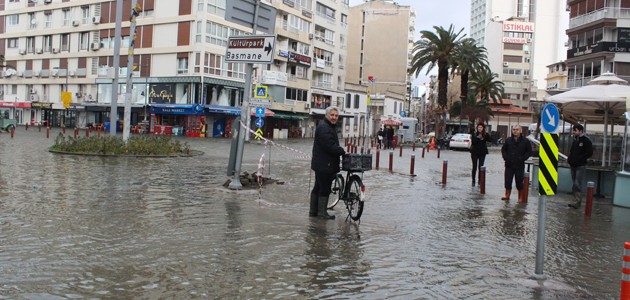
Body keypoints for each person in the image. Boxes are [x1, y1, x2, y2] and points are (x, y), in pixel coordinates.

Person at [310, 106, 346, 219]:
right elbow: (329, 146)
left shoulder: (327, 126)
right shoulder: (325, 127)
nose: (334, 117)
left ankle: (313, 212)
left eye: (336, 115)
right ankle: (321, 214)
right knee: (324, 188)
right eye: (332, 115)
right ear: (327, 115)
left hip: (321, 163)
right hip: (325, 164)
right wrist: (342, 151)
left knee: (318, 187)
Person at [500, 125, 532, 201]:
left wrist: (522, 158)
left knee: (519, 182)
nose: (515, 131)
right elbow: (503, 150)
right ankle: (507, 195)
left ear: (520, 131)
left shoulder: (525, 141)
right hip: (509, 164)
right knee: (507, 181)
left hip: (519, 165)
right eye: (514, 129)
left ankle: (520, 197)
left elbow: (529, 152)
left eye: (517, 129)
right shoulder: (508, 140)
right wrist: (506, 158)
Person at [567, 124, 593, 209]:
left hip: (580, 166)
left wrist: (580, 159)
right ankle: (575, 200)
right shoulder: (575, 140)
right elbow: (572, 151)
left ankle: (577, 202)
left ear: (581, 131)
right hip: (573, 165)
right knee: (574, 183)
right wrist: (570, 160)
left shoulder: (586, 140)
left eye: (576, 130)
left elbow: (589, 152)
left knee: (577, 183)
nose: (574, 132)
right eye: (573, 130)